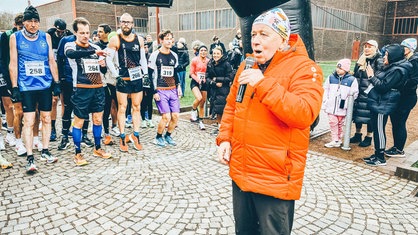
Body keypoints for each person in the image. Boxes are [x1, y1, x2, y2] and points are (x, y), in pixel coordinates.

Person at [216, 7, 323, 234]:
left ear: (283, 39)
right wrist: (224, 138)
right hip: (242, 172)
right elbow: (232, 106)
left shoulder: (305, 68)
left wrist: (263, 84)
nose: (256, 40)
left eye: (264, 34)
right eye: (254, 34)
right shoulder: (247, 65)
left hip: (274, 177)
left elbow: (305, 114)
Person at [9, 5, 61, 173]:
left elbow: (51, 61)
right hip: (26, 86)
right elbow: (13, 63)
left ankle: (45, 150)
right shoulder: (15, 38)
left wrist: (56, 82)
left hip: (45, 84)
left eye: (36, 21)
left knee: (46, 118)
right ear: (24, 22)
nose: (33, 24)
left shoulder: (46, 37)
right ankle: (30, 156)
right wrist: (15, 86)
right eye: (29, 21)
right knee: (29, 121)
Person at [65, 17, 111, 166]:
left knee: (98, 119)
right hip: (81, 89)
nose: (85, 35)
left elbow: (102, 69)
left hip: (98, 89)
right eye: (82, 32)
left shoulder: (95, 48)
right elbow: (71, 55)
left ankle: (97, 148)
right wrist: (93, 52)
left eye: (87, 32)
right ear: (75, 33)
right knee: (79, 121)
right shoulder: (70, 45)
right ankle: (77, 153)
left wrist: (103, 64)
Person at [363, 44, 412, 166]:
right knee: (377, 129)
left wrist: (371, 76)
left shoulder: (398, 70)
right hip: (379, 102)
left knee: (379, 130)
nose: (384, 56)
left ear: (393, 55)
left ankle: (380, 157)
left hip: (382, 104)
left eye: (387, 54)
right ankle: (377, 154)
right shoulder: (391, 66)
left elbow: (383, 86)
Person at [106, 13, 148, 152]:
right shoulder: (115, 40)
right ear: (120, 23)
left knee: (136, 107)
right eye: (123, 22)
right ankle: (122, 136)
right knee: (122, 107)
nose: (126, 24)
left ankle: (135, 135)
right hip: (123, 78)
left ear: (132, 24)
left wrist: (146, 74)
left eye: (128, 22)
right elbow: (108, 60)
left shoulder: (139, 40)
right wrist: (116, 76)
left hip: (136, 78)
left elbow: (142, 60)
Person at [384, 38, 418, 157]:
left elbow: (414, 80)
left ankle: (399, 149)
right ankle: (396, 146)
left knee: (399, 122)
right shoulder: (407, 59)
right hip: (401, 96)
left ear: (409, 49)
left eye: (404, 47)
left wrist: (398, 83)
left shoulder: (414, 61)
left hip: (406, 97)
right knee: (395, 122)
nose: (401, 49)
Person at [148, 29, 182, 147]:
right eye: (166, 39)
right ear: (161, 40)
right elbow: (149, 74)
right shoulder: (154, 55)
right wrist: (154, 92)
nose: (169, 41)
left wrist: (178, 87)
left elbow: (175, 73)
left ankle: (168, 135)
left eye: (170, 39)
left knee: (176, 116)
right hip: (160, 90)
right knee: (166, 116)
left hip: (172, 89)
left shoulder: (174, 55)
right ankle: (158, 137)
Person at [0, 13, 26, 155]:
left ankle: (15, 133)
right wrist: (7, 77)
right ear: (15, 25)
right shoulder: (6, 36)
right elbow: (3, 58)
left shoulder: (26, 37)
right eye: (20, 27)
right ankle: (9, 133)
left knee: (18, 108)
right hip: (6, 74)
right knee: (8, 106)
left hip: (21, 75)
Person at [350, 40, 383, 147]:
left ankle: (368, 136)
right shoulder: (361, 59)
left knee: (369, 116)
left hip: (370, 92)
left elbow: (379, 76)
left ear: (375, 48)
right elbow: (356, 73)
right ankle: (358, 134)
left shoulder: (379, 59)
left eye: (370, 47)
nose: (367, 48)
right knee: (358, 114)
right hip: (359, 91)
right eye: (365, 46)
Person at [322, 59, 359, 148]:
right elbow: (325, 89)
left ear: (346, 69)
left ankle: (338, 139)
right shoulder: (331, 77)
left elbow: (354, 93)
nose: (338, 70)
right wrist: (326, 100)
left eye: (341, 68)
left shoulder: (352, 80)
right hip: (331, 106)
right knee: (332, 122)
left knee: (340, 124)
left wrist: (346, 104)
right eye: (337, 67)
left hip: (342, 108)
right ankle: (334, 139)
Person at [47, 18, 73, 141]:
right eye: (59, 31)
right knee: (53, 101)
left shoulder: (69, 36)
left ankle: (65, 129)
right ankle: (52, 128)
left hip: (64, 72)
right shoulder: (49, 35)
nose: (61, 33)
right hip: (52, 72)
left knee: (65, 102)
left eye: (63, 31)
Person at [94, 23, 117, 145]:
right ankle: (103, 130)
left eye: (101, 31)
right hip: (100, 82)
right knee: (102, 107)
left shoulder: (112, 46)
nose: (98, 34)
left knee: (113, 105)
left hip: (112, 81)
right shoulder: (96, 46)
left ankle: (112, 127)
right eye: (98, 31)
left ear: (108, 33)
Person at [206, 46, 234, 133]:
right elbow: (207, 77)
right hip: (214, 90)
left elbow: (230, 77)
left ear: (221, 54)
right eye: (214, 53)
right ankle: (219, 126)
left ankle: (224, 127)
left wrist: (218, 79)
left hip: (224, 90)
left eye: (218, 53)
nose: (216, 55)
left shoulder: (226, 64)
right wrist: (214, 83)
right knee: (216, 109)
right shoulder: (210, 63)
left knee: (223, 109)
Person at [189, 45, 209, 130]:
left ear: (207, 52)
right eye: (201, 50)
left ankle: (201, 122)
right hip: (195, 82)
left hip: (204, 83)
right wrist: (198, 80)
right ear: (199, 51)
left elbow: (210, 72)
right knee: (199, 98)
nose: (203, 52)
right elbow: (191, 73)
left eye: (205, 50)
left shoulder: (208, 61)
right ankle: (193, 109)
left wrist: (205, 78)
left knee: (202, 103)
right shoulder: (194, 60)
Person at [140, 43, 155, 129]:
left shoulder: (150, 57)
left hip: (149, 81)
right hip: (141, 81)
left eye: (146, 47)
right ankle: (143, 120)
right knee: (143, 102)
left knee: (149, 101)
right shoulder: (139, 57)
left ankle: (149, 119)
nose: (145, 49)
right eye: (144, 47)